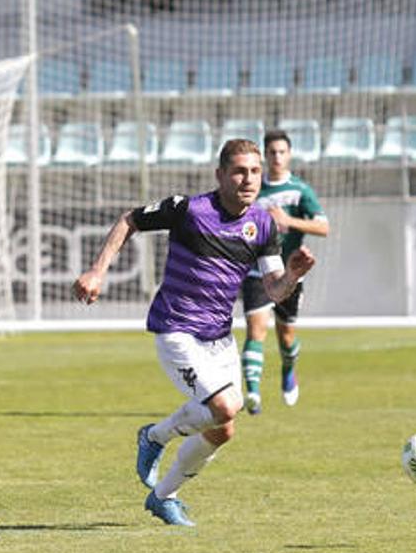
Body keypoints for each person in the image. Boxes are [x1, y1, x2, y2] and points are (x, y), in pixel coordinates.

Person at [74, 139, 315, 527]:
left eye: (254, 171)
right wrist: (97, 271)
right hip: (176, 330)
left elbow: (273, 289)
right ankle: (154, 436)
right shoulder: (189, 210)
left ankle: (163, 496)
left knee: (223, 431)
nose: (248, 179)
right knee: (224, 407)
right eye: (238, 171)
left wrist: (292, 276)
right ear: (220, 175)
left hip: (219, 339)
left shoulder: (264, 224)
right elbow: (129, 220)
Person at [238, 130, 329, 414]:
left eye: (281, 152)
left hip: (290, 273)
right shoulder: (254, 191)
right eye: (272, 152)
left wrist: (289, 221)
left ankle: (288, 368)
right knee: (256, 329)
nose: (277, 157)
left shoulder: (300, 190)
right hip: (257, 270)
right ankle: (252, 393)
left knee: (286, 336)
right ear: (265, 157)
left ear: (289, 155)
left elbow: (323, 227)